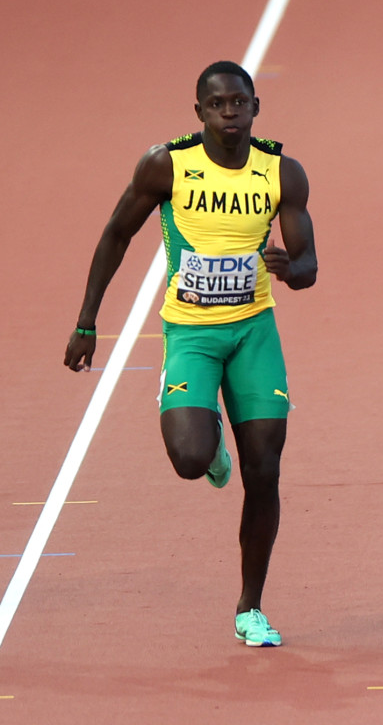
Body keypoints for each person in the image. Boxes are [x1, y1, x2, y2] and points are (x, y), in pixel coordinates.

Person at [64, 61, 317, 645]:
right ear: (198, 112)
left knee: (266, 471)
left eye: (240, 103)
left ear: (257, 108)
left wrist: (291, 269)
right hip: (191, 333)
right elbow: (115, 233)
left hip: (254, 331)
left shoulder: (282, 173)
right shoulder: (168, 166)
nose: (230, 113)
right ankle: (207, 444)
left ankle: (250, 607)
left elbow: (307, 265)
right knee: (188, 458)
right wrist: (86, 322)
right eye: (218, 104)